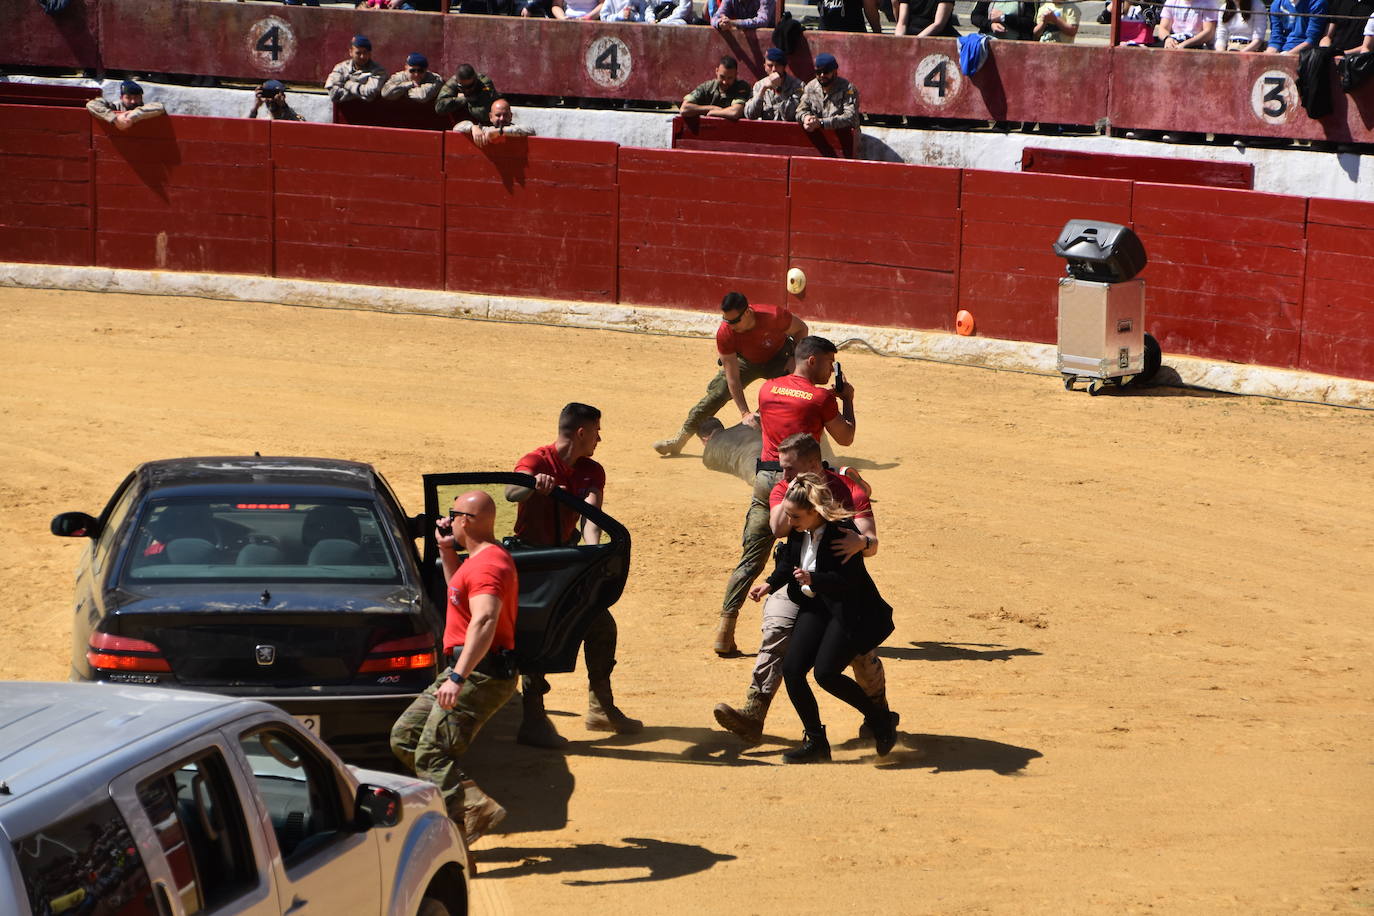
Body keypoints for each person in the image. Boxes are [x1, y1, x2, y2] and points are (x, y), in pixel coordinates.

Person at [714, 433, 889, 745]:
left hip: (839, 585)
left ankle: (878, 714)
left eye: (790, 468)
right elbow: (778, 529)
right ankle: (754, 711)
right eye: (782, 468)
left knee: (860, 656)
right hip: (795, 579)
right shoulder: (785, 488)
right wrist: (788, 493)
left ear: (812, 463)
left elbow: (871, 543)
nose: (783, 475)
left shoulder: (848, 489)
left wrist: (861, 542)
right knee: (776, 630)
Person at [505, 403, 641, 748]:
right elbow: (510, 492)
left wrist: (592, 556)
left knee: (600, 626)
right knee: (533, 633)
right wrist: (532, 484)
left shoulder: (592, 469)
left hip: (568, 558)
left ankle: (600, 708)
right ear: (582, 432)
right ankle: (533, 718)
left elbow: (591, 516)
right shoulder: (537, 460)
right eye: (597, 431)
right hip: (533, 560)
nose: (600, 438)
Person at [712, 335, 856, 656]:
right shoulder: (821, 398)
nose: (831, 369)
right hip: (804, 485)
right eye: (829, 362)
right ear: (812, 360)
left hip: (765, 478)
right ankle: (826, 626)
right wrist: (846, 400)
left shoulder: (767, 388)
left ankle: (725, 629)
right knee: (824, 551)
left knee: (751, 558)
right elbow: (845, 438)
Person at [389, 491, 520, 845]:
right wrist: (447, 551)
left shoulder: (490, 564)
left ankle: (458, 835)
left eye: (453, 514)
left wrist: (458, 677)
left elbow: (485, 619)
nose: (448, 520)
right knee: (406, 737)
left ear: (467, 520)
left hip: (479, 673)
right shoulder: (476, 560)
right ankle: (472, 802)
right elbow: (458, 592)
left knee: (432, 753)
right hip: (465, 669)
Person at [750, 473, 896, 762]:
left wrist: (813, 578)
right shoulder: (797, 529)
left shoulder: (843, 534)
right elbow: (789, 562)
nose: (790, 522)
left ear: (815, 512)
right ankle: (816, 742)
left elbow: (848, 581)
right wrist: (770, 583)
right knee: (792, 671)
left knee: (826, 674)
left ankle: (879, 719)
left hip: (847, 609)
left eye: (795, 516)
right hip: (816, 607)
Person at [652, 291, 808, 457]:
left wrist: (795, 358)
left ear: (747, 312)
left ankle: (775, 442)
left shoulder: (774, 316)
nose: (731, 325)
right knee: (718, 392)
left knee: (784, 395)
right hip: (746, 360)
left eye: (734, 321)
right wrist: (745, 413)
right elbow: (732, 377)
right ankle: (680, 439)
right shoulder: (725, 333)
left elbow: (801, 329)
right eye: (727, 320)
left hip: (779, 358)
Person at [797, 54, 862, 134]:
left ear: (834, 72)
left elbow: (850, 117)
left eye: (826, 72)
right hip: (820, 136)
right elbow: (800, 111)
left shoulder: (848, 89)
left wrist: (822, 123)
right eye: (818, 72)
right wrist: (806, 118)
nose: (822, 75)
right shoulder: (810, 87)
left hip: (846, 137)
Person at [680, 56, 752, 121]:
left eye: (730, 78)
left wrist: (713, 113)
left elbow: (735, 112)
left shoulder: (742, 87)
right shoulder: (707, 87)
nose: (725, 82)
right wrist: (711, 108)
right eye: (722, 77)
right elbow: (684, 109)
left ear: (736, 75)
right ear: (716, 71)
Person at [744, 48, 804, 120]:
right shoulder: (759, 85)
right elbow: (750, 115)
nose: (774, 69)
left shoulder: (797, 85)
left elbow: (789, 116)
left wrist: (779, 91)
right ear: (765, 67)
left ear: (783, 67)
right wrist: (762, 91)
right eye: (770, 65)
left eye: (778, 65)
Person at [325, 35, 387, 103]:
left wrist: (349, 84)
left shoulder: (378, 71)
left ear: (369, 54)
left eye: (365, 53)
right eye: (358, 53)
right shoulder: (341, 68)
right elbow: (334, 94)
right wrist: (358, 94)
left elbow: (370, 93)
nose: (362, 56)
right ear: (351, 52)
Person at [436, 65, 503, 125]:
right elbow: (439, 107)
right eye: (463, 87)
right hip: (460, 124)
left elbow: (484, 114)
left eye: (470, 86)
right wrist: (464, 99)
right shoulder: (453, 83)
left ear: (474, 78)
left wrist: (461, 101)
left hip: (484, 124)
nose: (467, 90)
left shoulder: (484, 82)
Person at [86, 80, 166, 130]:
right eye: (128, 97)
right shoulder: (114, 106)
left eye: (137, 97)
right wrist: (115, 119)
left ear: (141, 97)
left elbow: (160, 107)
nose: (133, 101)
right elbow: (91, 104)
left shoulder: (146, 108)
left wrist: (130, 116)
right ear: (121, 98)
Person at [455, 99, 535, 147]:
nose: (502, 118)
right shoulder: (484, 130)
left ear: (511, 116)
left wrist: (499, 131)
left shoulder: (516, 129)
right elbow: (456, 129)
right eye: (498, 115)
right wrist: (472, 127)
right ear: (490, 117)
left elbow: (530, 131)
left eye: (505, 115)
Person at [971, 0, 1038, 39]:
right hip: (988, 43)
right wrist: (991, 25)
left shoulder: (1027, 2)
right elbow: (975, 17)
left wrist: (1003, 17)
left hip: (1016, 45)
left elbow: (1029, 23)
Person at [712, 0, 777, 30]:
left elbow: (763, 21)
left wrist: (734, 23)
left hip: (768, 41)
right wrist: (720, 23)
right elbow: (715, 17)